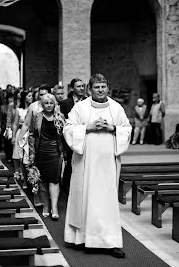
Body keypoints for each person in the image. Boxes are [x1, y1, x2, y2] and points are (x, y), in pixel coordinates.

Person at [63, 73, 132, 258]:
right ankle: (83, 238)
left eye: (103, 86)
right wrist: (88, 128)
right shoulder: (80, 108)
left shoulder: (116, 108)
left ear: (107, 88)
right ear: (89, 89)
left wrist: (113, 128)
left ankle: (110, 242)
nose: (100, 90)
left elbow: (127, 128)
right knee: (85, 198)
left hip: (107, 166)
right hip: (86, 163)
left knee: (106, 202)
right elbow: (68, 128)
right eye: (97, 87)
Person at [28, 93, 65, 221]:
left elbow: (65, 136)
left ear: (54, 104)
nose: (49, 105)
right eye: (46, 103)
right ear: (42, 105)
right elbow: (31, 135)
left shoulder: (60, 117)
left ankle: (54, 207)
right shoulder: (37, 116)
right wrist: (32, 153)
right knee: (42, 181)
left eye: (51, 103)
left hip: (55, 152)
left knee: (54, 180)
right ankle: (46, 205)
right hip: (40, 152)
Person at [59, 78, 85, 192]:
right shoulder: (65, 103)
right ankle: (66, 187)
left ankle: (81, 185)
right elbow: (63, 123)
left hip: (84, 136)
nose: (81, 88)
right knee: (69, 163)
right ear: (72, 88)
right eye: (78, 86)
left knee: (83, 163)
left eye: (82, 86)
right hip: (70, 137)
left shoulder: (87, 101)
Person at [11, 90, 33, 188]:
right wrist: (14, 136)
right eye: (29, 96)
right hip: (21, 133)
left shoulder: (35, 109)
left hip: (31, 133)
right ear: (24, 97)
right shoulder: (19, 110)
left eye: (32, 96)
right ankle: (18, 172)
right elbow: (15, 124)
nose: (31, 98)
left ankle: (29, 176)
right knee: (19, 154)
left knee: (28, 156)